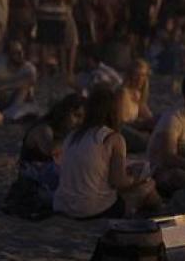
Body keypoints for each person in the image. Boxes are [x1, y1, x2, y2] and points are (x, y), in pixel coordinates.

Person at [54, 87, 160, 218]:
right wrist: (138, 178)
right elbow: (118, 182)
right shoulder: (113, 138)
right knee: (149, 186)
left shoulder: (73, 135)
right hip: (92, 210)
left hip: (63, 206)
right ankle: (163, 215)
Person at [0, 40, 37, 116]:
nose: (21, 55)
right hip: (2, 99)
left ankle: (10, 114)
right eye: (16, 53)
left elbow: (30, 80)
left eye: (22, 51)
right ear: (8, 55)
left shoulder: (28, 68)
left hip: (20, 102)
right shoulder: (0, 68)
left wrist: (3, 86)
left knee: (24, 88)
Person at [119, 59, 155, 153]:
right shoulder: (123, 92)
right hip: (121, 129)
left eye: (143, 75)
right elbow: (121, 120)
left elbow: (149, 116)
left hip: (133, 127)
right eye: (136, 74)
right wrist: (141, 123)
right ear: (130, 75)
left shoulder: (138, 94)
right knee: (146, 141)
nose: (140, 78)